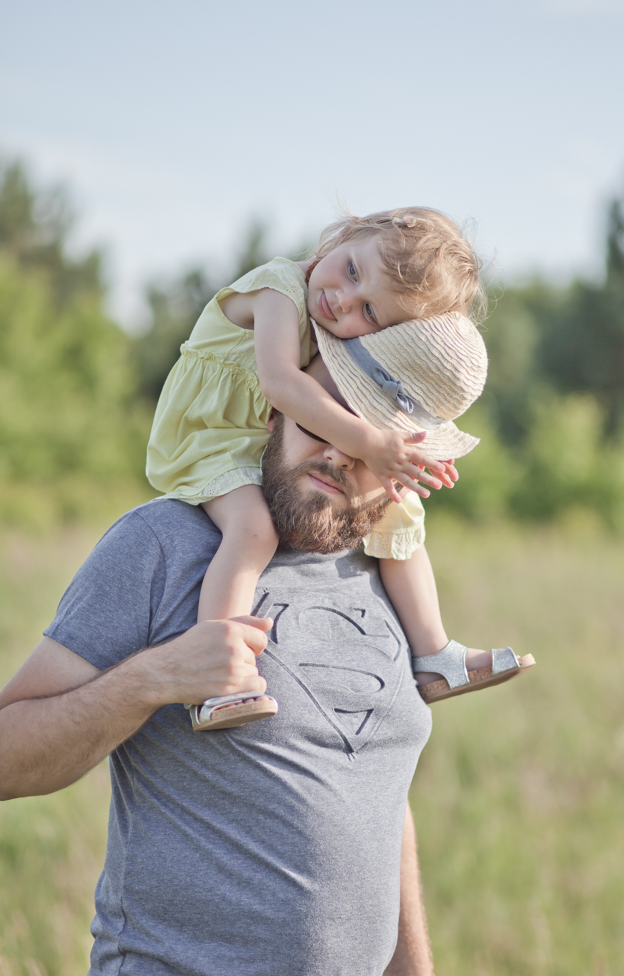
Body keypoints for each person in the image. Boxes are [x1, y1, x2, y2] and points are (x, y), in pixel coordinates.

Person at [0, 355, 456, 976]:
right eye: (321, 425)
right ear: (274, 416)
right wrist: (154, 678)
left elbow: (378, 799)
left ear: (401, 477)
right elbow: (2, 758)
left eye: (367, 445)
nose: (338, 454)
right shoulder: (165, 543)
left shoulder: (386, 582)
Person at [146, 207, 531, 731]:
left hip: (262, 428)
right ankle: (217, 674)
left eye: (370, 313)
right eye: (352, 270)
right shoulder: (280, 288)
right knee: (254, 529)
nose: (343, 299)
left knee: (400, 512)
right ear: (346, 235)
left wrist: (409, 456)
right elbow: (282, 383)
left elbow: (375, 388)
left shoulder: (333, 320)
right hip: (210, 432)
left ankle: (434, 654)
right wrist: (372, 443)